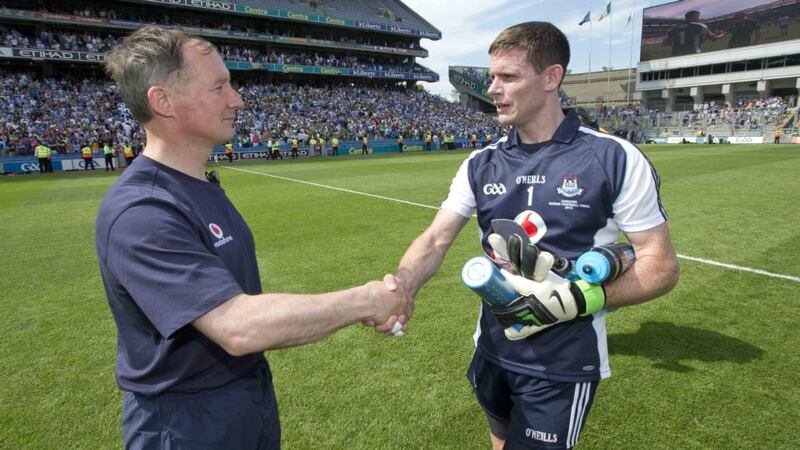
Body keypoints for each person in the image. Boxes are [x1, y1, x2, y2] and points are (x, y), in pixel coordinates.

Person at [96, 27, 412, 450]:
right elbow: (236, 326)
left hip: (243, 394)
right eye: (219, 86)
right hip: (187, 420)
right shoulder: (142, 211)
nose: (237, 99)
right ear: (163, 101)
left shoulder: (197, 184)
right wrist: (368, 300)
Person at [392, 22, 679, 450]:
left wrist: (582, 300)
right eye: (492, 77)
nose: (492, 88)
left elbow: (661, 264)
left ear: (551, 78)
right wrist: (402, 287)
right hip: (491, 346)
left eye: (508, 77)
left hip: (562, 361)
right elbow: (436, 239)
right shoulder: (480, 162)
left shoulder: (614, 158)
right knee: (500, 437)